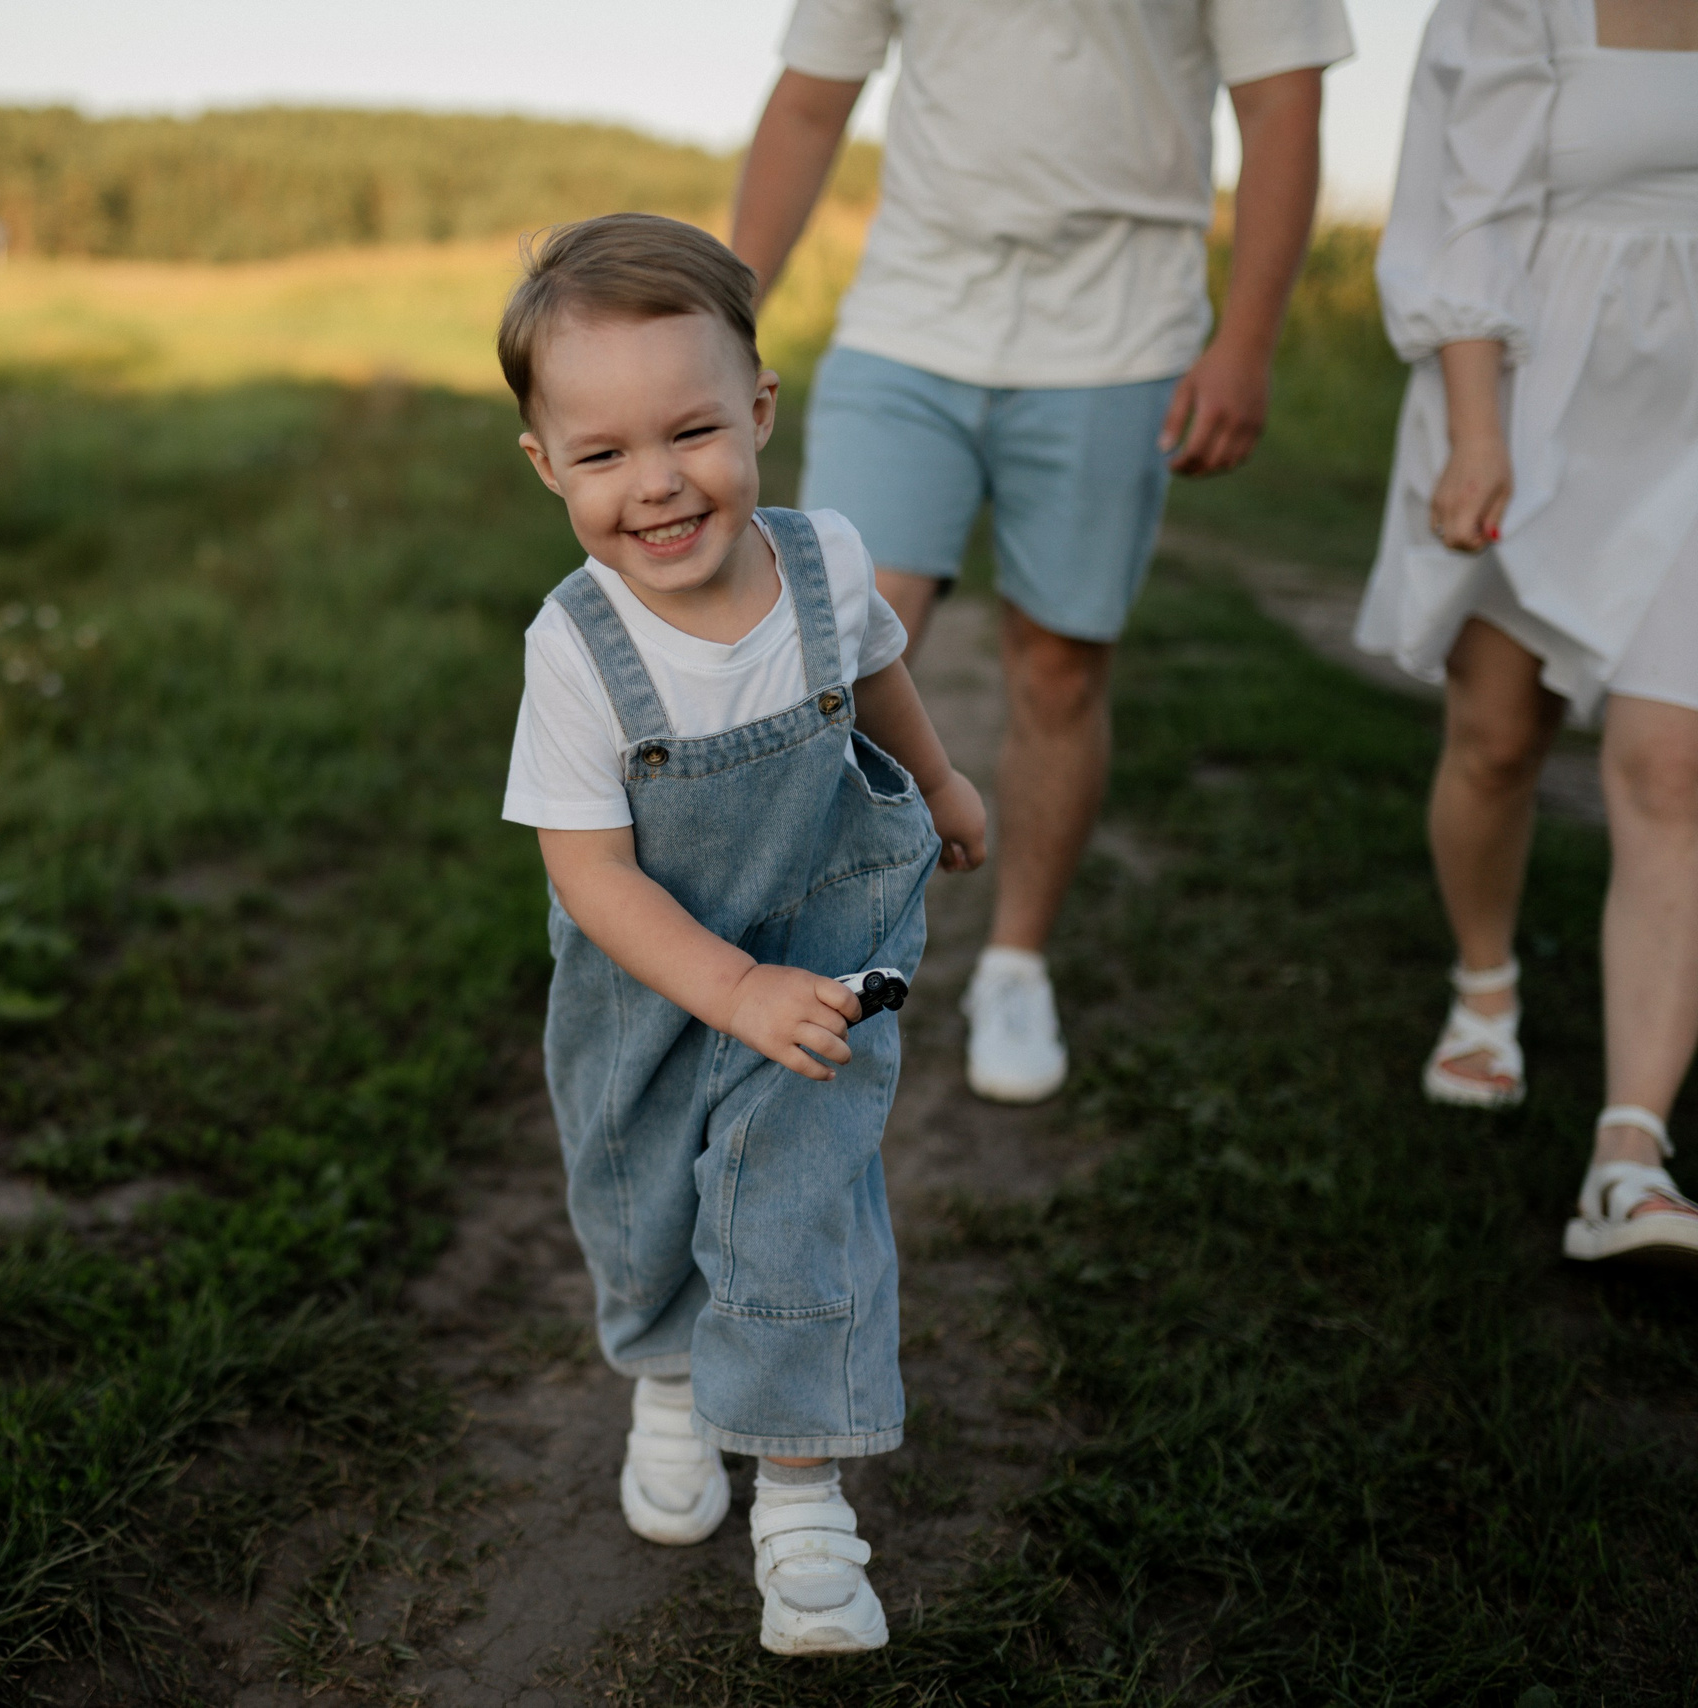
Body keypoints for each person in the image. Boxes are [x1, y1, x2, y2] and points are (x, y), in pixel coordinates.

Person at [498, 213, 987, 1656]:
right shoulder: (577, 645)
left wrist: (945, 783)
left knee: (796, 1200)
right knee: (645, 1210)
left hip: (823, 950)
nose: (656, 485)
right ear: (547, 466)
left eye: (692, 432)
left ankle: (802, 1497)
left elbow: (879, 678)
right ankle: (665, 1376)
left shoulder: (825, 564)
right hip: (649, 980)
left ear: (761, 408)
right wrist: (726, 985)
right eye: (602, 456)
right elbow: (590, 873)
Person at [731, 0, 1349, 1103]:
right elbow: (810, 103)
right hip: (907, 326)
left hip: (1120, 337)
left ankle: (1015, 964)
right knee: (831, 652)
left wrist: (1246, 340)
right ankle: (781, 955)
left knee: (1060, 666)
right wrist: (721, 322)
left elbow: (1280, 101)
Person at [1355, 0, 1698, 1267]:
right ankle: (1485, 982)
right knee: (1497, 741)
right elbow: (1464, 214)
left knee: (1670, 770)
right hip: (1532, 391)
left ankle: (1628, 1154)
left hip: (1693, 425)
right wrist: (1478, 432)